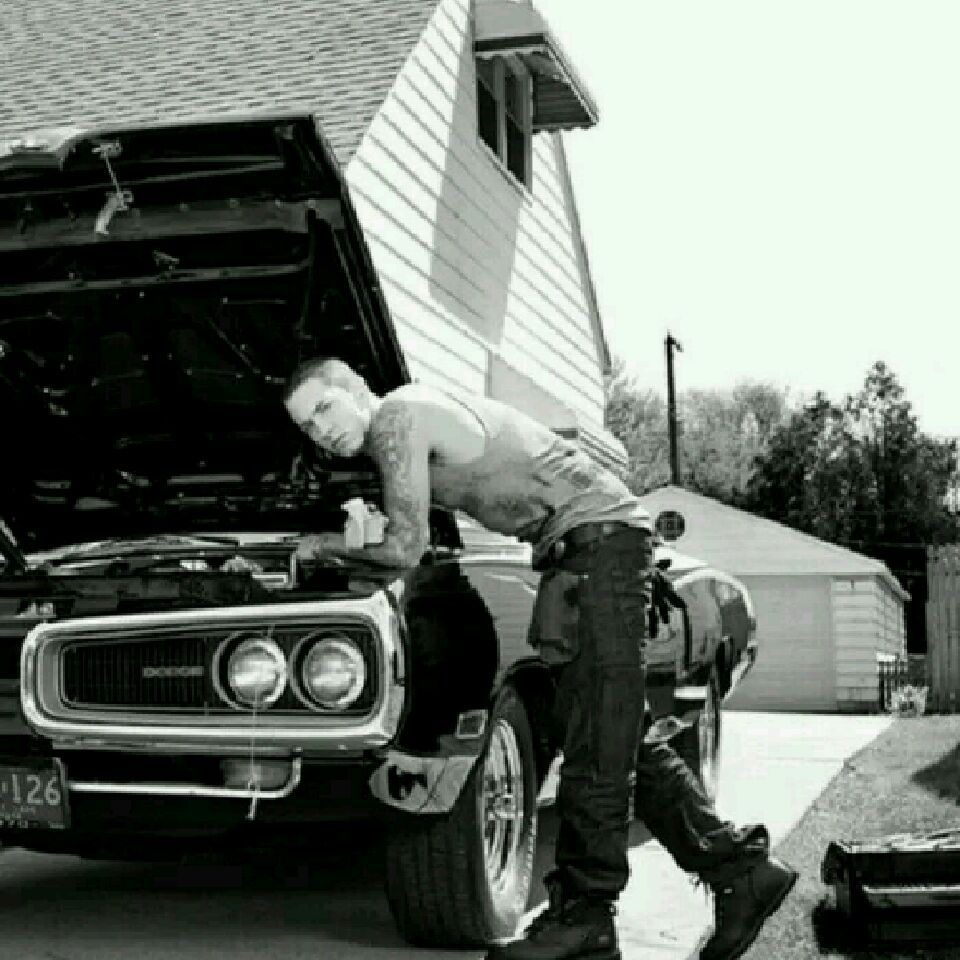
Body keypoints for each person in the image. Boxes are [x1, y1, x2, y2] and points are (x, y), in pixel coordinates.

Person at [284, 357, 797, 960]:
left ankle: (586, 915)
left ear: (357, 390)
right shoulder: (407, 423)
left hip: (599, 545)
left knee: (594, 744)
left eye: (324, 407)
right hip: (590, 549)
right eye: (307, 426)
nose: (320, 430)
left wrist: (318, 545)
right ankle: (740, 872)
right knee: (612, 735)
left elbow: (406, 545)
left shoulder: (397, 417)